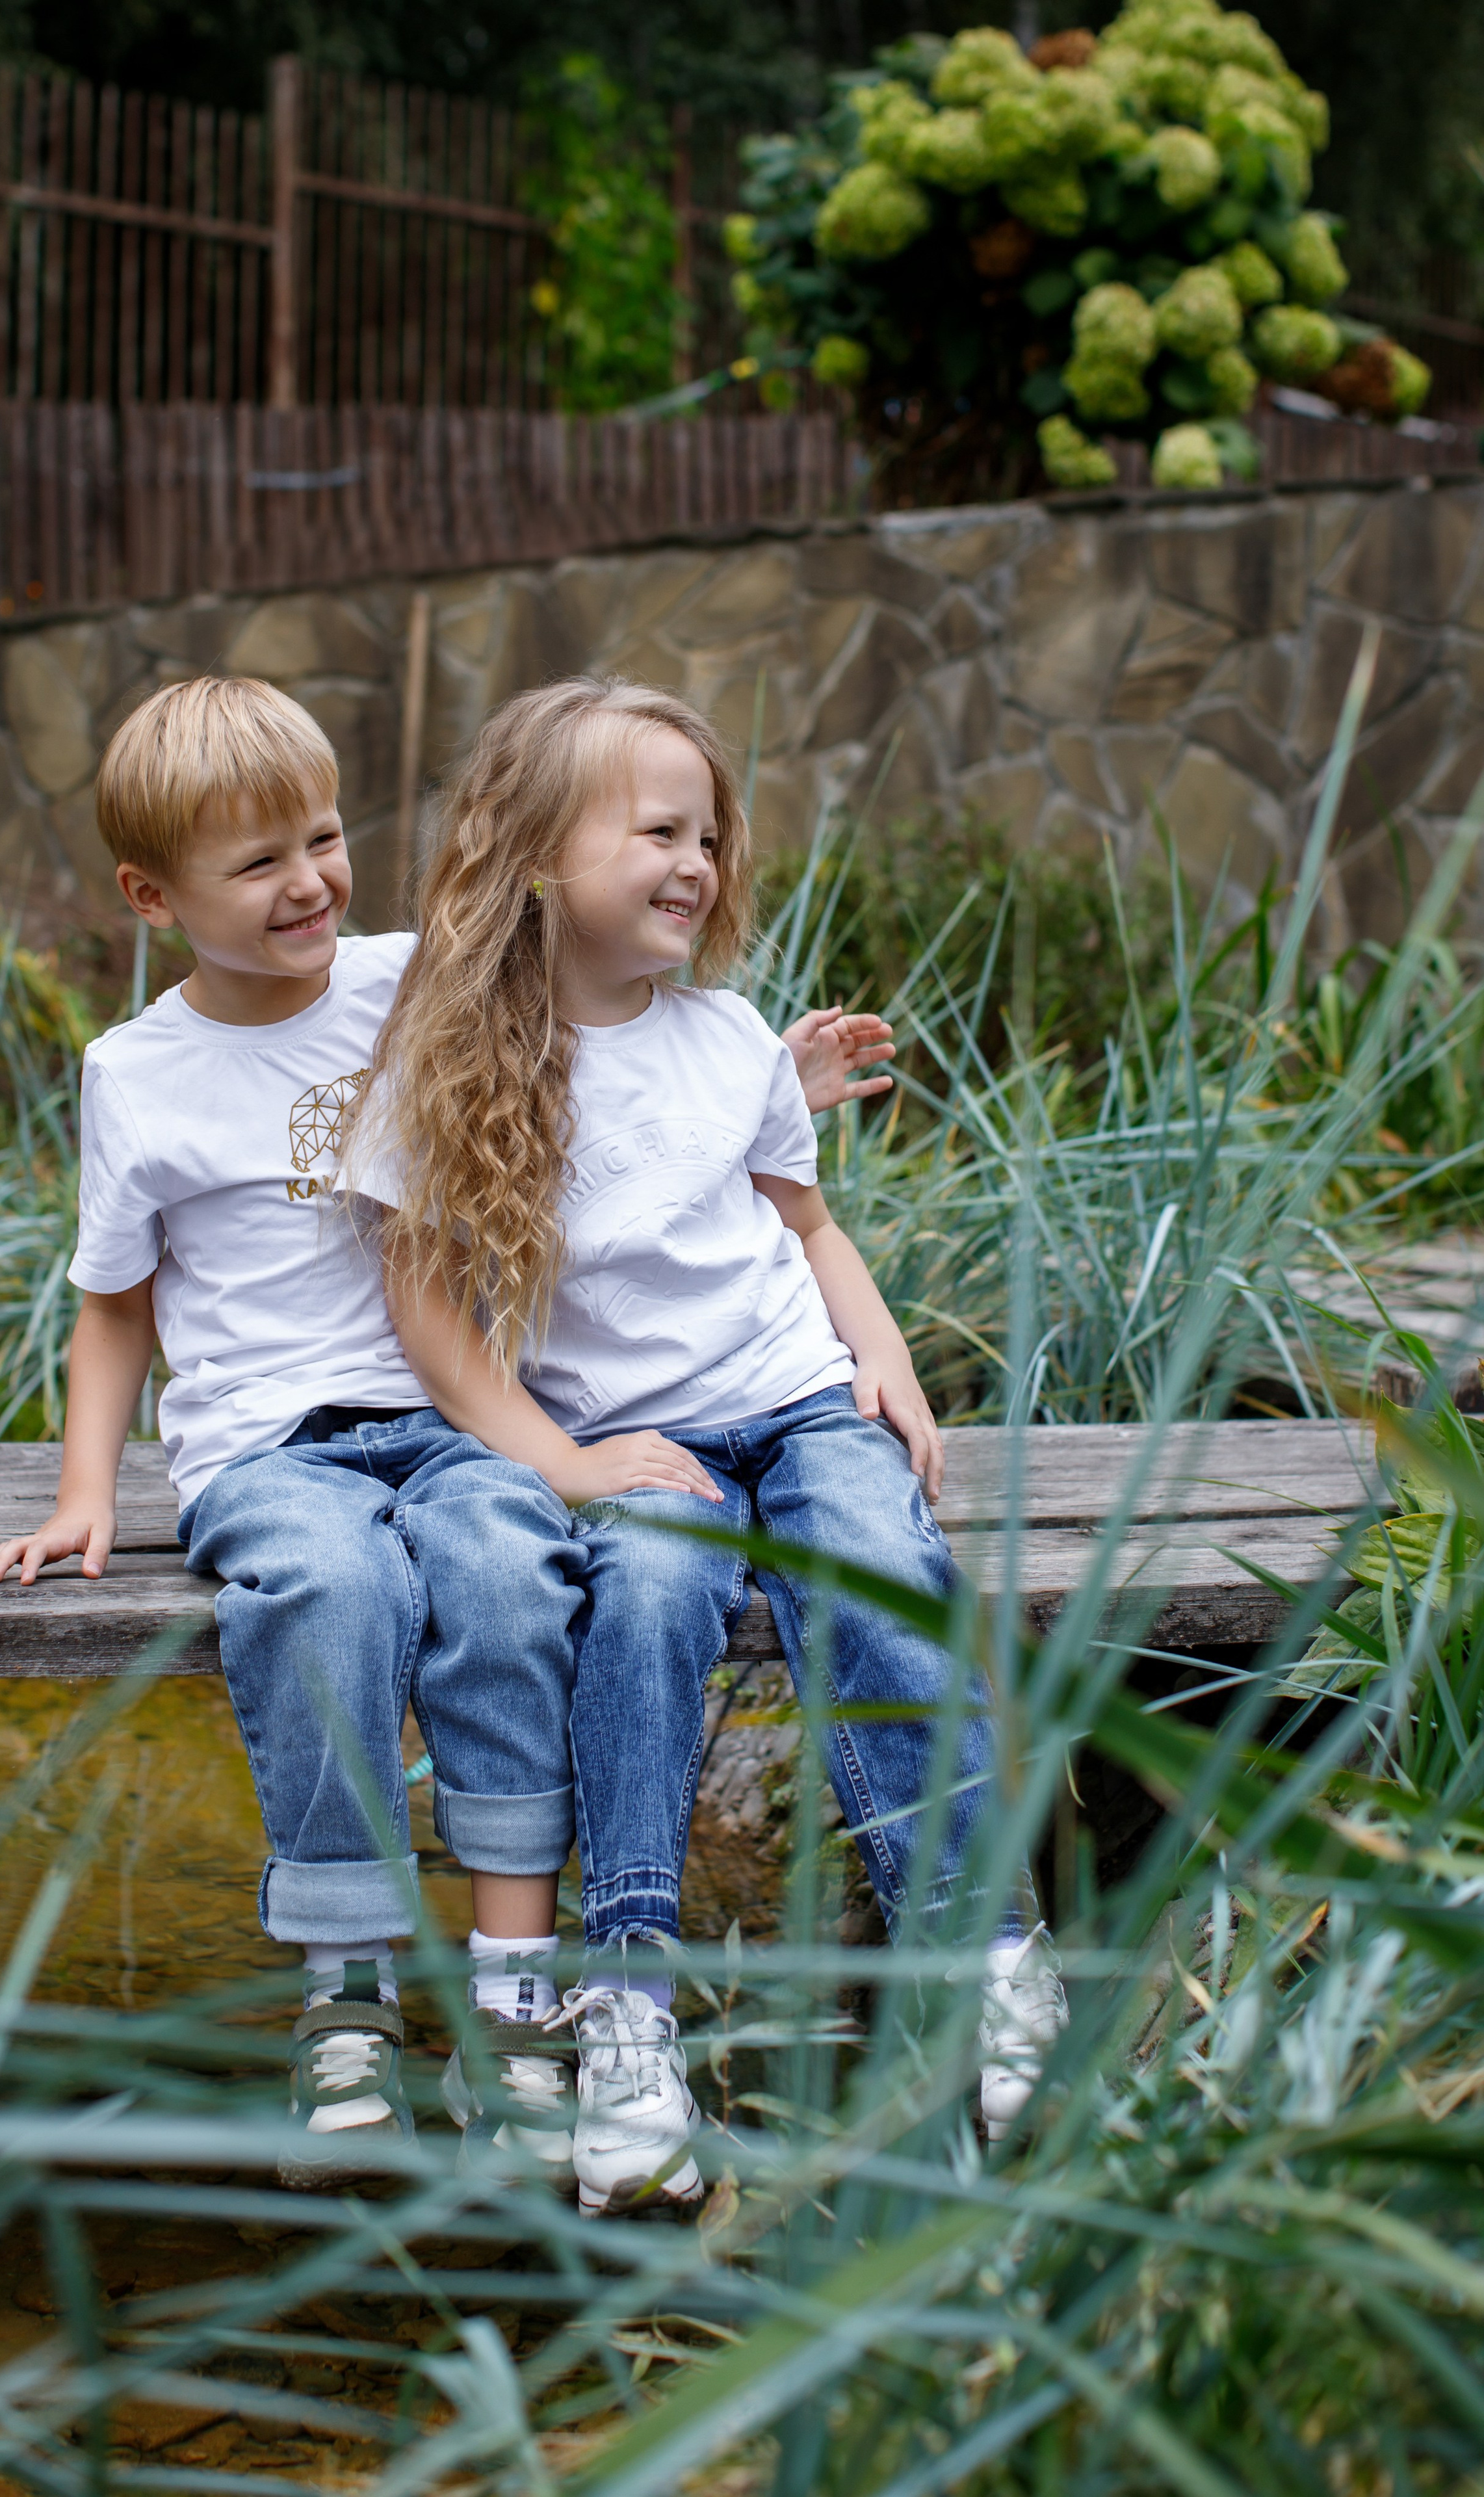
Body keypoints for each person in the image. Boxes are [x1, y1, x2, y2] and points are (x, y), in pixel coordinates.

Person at [0, 673, 897, 2195]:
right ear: (151, 896)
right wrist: (88, 1490)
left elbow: (602, 999)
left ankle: (512, 1993)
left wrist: (762, 1086)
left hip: (455, 1415)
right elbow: (115, 1304)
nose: (307, 883)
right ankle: (345, 1990)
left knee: (509, 1562)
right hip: (267, 1445)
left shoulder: (411, 979)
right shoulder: (135, 1076)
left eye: (323, 839)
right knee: (332, 1591)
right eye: (254, 861)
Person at [350, 676, 1067, 2217]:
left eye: (708, 831)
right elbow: (427, 1307)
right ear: (538, 851)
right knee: (652, 1602)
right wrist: (558, 1458)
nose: (696, 858)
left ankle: (982, 1960)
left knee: (877, 1561)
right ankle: (624, 2006)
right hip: (632, 1439)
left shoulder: (729, 1035)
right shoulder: (462, 1059)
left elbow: (803, 1223)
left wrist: (882, 1365)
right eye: (656, 829)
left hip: (795, 1400)